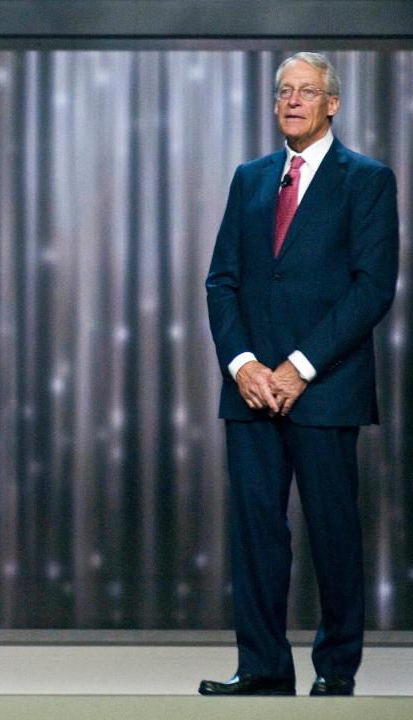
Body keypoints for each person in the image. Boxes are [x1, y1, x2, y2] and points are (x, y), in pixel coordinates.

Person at [201, 52, 398, 697]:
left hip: (325, 388)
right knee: (256, 534)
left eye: (306, 92)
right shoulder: (250, 178)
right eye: (283, 91)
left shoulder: (366, 179)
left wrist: (299, 367)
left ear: (331, 104)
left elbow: (372, 289)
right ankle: (261, 667)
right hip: (251, 391)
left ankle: (335, 670)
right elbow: (221, 279)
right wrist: (243, 364)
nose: (291, 101)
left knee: (333, 532)